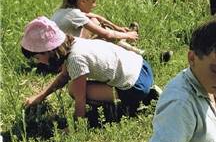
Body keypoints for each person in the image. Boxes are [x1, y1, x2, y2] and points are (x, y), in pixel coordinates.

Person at [21, 17, 160, 118]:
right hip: (142, 67)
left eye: (38, 58)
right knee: (76, 85)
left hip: (135, 86)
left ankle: (133, 105)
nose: (39, 62)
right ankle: (149, 94)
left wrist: (75, 126)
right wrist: (41, 96)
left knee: (73, 90)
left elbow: (80, 98)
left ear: (49, 50)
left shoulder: (75, 59)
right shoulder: (75, 43)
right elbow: (64, 76)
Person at [51, 0, 143, 53]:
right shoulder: (75, 14)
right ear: (83, 1)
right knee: (102, 35)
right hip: (63, 57)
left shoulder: (65, 10)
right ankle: (137, 51)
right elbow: (107, 35)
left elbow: (97, 17)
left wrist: (117, 28)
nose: (95, 5)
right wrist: (127, 35)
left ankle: (123, 42)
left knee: (94, 21)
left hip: (59, 51)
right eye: (93, 1)